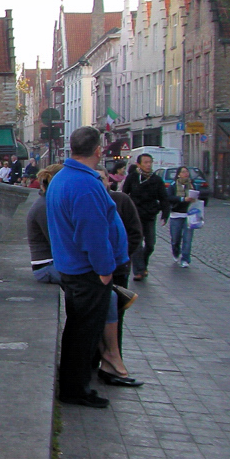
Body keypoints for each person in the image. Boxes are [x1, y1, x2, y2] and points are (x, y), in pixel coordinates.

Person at [46, 126, 128, 409]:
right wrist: (105, 270)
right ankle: (75, 389)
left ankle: (74, 385)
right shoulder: (85, 184)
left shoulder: (62, 178)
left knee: (78, 328)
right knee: (84, 332)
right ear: (98, 150)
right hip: (86, 271)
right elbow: (92, 234)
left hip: (73, 267)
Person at [104, 185, 143, 387]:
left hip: (118, 268)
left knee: (115, 314)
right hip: (102, 269)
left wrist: (122, 258)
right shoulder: (92, 201)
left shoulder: (121, 201)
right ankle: (105, 361)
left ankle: (113, 357)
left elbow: (135, 233)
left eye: (102, 178)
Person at [122, 153, 167, 280]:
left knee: (150, 244)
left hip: (150, 215)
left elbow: (163, 198)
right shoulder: (132, 178)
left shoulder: (156, 180)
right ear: (139, 164)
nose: (148, 165)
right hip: (135, 215)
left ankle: (143, 264)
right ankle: (139, 271)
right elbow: (125, 194)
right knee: (137, 243)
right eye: (145, 162)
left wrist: (165, 213)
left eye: (150, 162)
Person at [26, 166, 59, 283]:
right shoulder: (44, 207)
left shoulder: (48, 202)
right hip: (46, 266)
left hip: (52, 263)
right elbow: (56, 241)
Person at [166, 167, 201, 267]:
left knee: (187, 239)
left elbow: (197, 196)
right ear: (178, 174)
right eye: (183, 172)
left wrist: (194, 198)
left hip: (189, 215)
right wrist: (182, 199)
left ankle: (185, 259)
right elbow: (169, 197)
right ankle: (176, 252)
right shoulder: (173, 185)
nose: (186, 174)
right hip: (176, 214)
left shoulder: (192, 185)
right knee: (175, 239)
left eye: (187, 172)